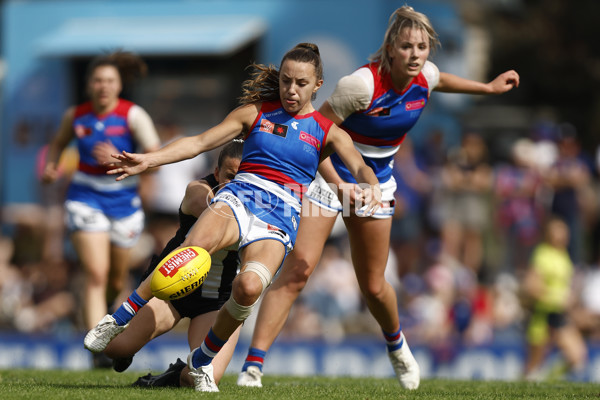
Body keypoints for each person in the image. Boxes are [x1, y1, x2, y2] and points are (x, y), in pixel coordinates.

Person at [236, 5, 520, 390]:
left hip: (377, 184)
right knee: (299, 270)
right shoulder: (361, 86)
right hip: (330, 172)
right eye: (406, 46)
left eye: (422, 46)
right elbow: (313, 135)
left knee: (372, 286)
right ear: (390, 49)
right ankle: (253, 366)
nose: (416, 54)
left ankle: (397, 344)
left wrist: (486, 88)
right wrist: (339, 184)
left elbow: (442, 80)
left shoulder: (426, 76)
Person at [83, 42, 382, 392]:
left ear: (318, 85)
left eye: (301, 83)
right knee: (194, 248)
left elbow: (361, 166)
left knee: (250, 286)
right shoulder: (255, 113)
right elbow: (199, 141)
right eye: (286, 80)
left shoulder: (327, 132)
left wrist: (371, 187)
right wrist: (150, 160)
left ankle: (199, 361)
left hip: (280, 218)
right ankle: (117, 320)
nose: (291, 89)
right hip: (241, 197)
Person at [41, 51, 160, 367]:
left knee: (116, 278)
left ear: (119, 85)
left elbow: (155, 162)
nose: (103, 86)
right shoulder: (75, 116)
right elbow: (57, 143)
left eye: (109, 80)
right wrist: (52, 167)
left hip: (124, 202)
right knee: (96, 271)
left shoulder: (133, 116)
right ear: (88, 85)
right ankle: (99, 348)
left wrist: (123, 159)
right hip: (85, 197)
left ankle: (109, 303)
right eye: (98, 80)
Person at [99, 140, 243, 387]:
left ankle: (171, 375)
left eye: (244, 179)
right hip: (170, 290)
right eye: (230, 177)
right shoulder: (198, 190)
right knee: (113, 348)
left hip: (216, 301)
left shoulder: (263, 203)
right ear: (217, 172)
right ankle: (126, 345)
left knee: (205, 377)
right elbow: (215, 210)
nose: (236, 186)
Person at [522, 216, 587, 380]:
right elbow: (531, 287)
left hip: (559, 314)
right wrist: (556, 297)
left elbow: (567, 286)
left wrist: (572, 299)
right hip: (543, 315)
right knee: (534, 364)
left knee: (577, 356)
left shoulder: (564, 256)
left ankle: (548, 379)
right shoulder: (542, 254)